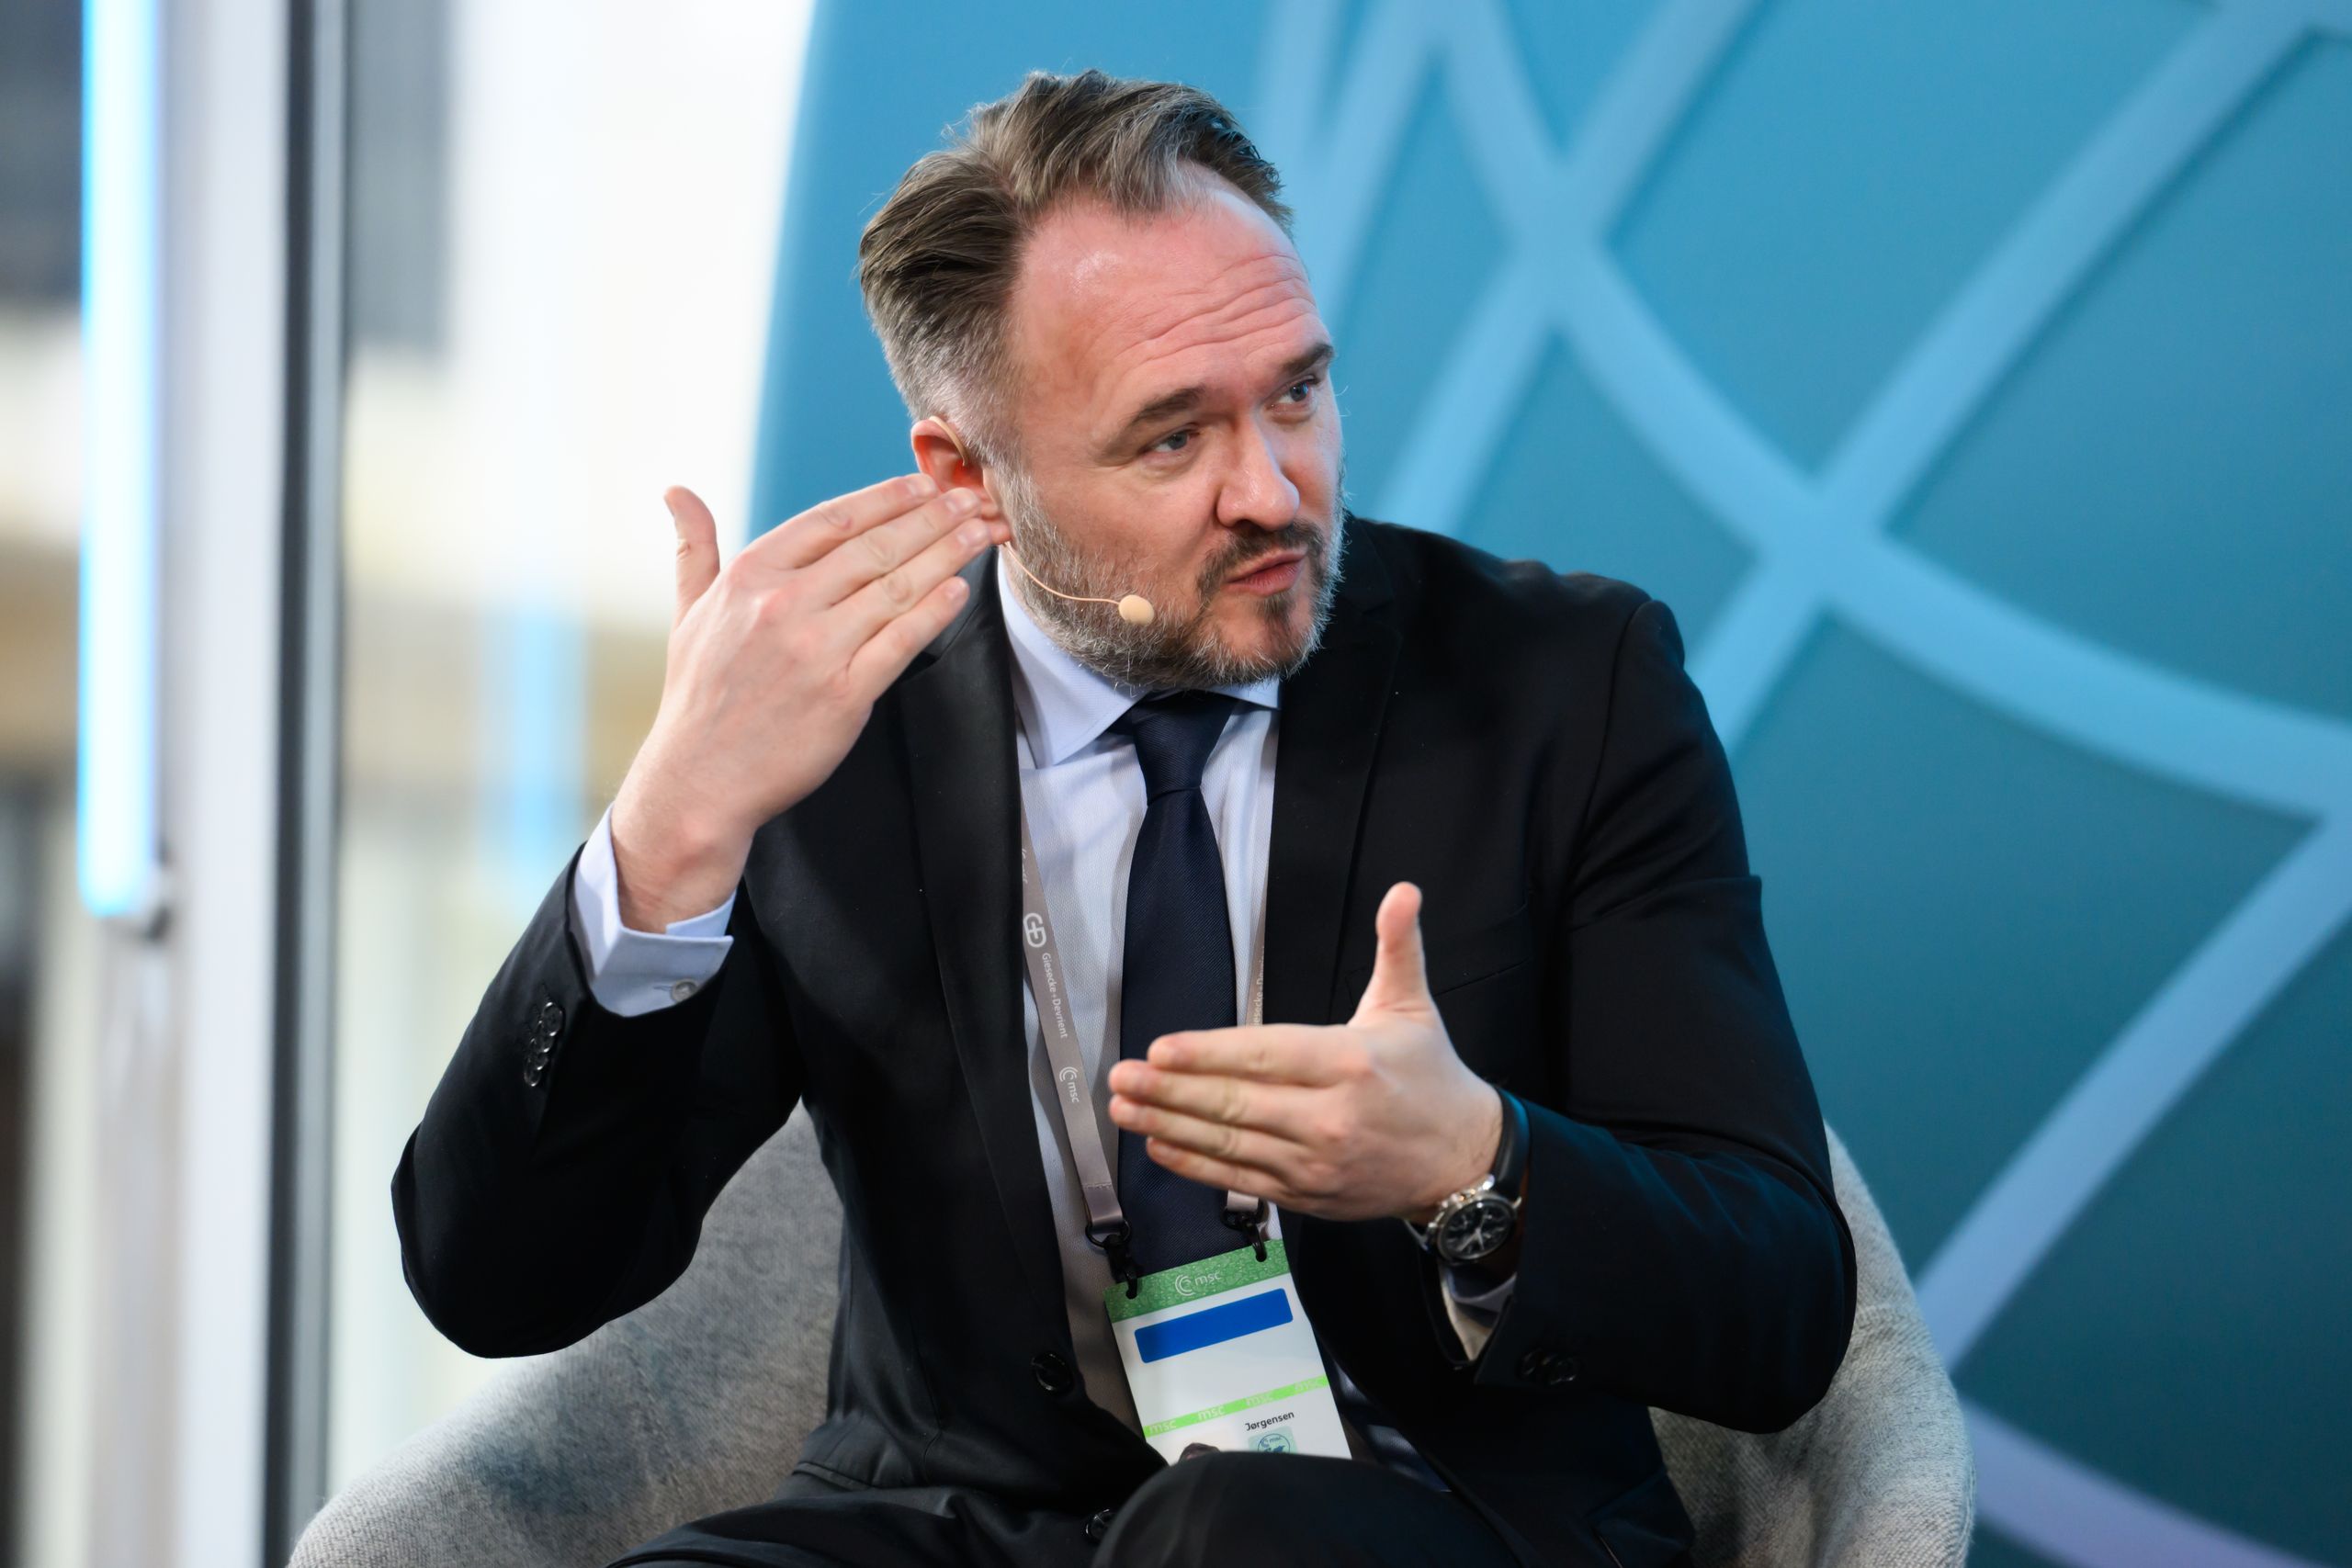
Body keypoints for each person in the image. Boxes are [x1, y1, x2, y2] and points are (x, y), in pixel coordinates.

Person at [393, 68, 1856, 1568]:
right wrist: (671, 828)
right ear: (972, 479)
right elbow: (499, 1285)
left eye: (1296, 391)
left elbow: (1781, 1304)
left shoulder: (1565, 685)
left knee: (1228, 1538)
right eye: (1172, 441)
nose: (1275, 492)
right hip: (959, 1523)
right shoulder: (833, 740)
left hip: (1426, 1521)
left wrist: (1473, 1167)